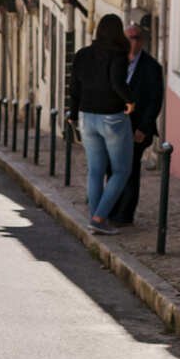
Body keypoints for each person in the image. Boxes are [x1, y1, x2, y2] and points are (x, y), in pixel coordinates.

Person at [68, 14, 135, 235]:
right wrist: (130, 100)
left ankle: (94, 218)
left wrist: (73, 113)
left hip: (87, 116)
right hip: (112, 118)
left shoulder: (82, 55)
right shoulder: (117, 55)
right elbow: (117, 82)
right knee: (121, 170)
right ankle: (99, 217)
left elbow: (74, 86)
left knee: (95, 171)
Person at [109, 23, 164, 225]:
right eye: (129, 38)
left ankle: (124, 214)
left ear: (142, 41)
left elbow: (155, 101)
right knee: (112, 168)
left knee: (130, 170)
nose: (132, 42)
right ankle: (111, 208)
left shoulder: (152, 68)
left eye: (136, 38)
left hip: (136, 130)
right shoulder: (115, 61)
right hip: (113, 126)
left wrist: (144, 127)